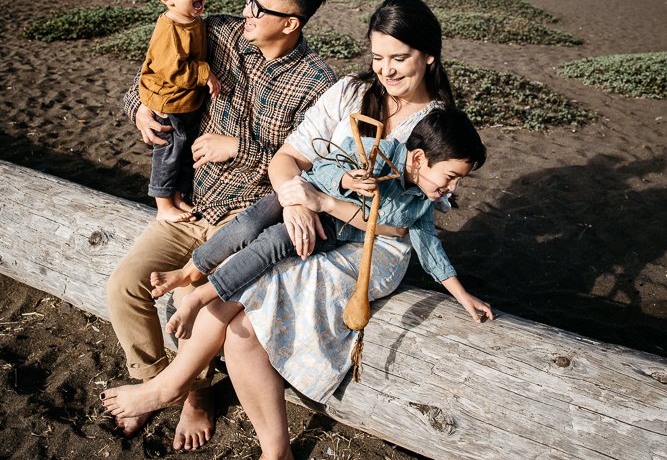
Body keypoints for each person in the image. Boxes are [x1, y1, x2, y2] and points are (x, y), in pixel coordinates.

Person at [103, 0, 493, 460]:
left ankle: (226, 422)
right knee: (242, 297)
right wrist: (296, 202)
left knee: (243, 316)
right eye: (378, 57)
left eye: (399, 58)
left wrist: (324, 205)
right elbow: (290, 159)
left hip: (372, 246)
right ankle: (211, 408)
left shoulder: (440, 126)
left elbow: (407, 227)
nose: (386, 69)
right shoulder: (352, 93)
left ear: (429, 56)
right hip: (314, 215)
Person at [106, 0, 336, 450]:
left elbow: (313, 172)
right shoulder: (226, 33)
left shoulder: (318, 84)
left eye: (258, 6)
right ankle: (165, 384)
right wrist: (140, 109)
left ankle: (193, 395)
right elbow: (155, 71)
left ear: (290, 22)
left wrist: (242, 148)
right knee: (124, 287)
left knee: (195, 301)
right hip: (193, 205)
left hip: (247, 218)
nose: (244, 9)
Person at [149, 108, 490, 339]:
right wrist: (347, 180)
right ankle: (190, 270)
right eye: (451, 177)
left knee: (274, 242)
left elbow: (431, 251)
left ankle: (200, 296)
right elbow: (323, 166)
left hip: (331, 230)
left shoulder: (420, 205)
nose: (451, 190)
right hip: (305, 193)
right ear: (419, 158)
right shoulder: (375, 149)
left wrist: (462, 296)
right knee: (247, 225)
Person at [139, 0, 221, 223]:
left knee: (183, 150)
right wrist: (204, 72)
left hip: (185, 102)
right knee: (168, 151)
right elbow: (172, 69)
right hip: (167, 101)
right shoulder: (169, 28)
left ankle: (175, 197)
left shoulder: (192, 20)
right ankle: (163, 206)